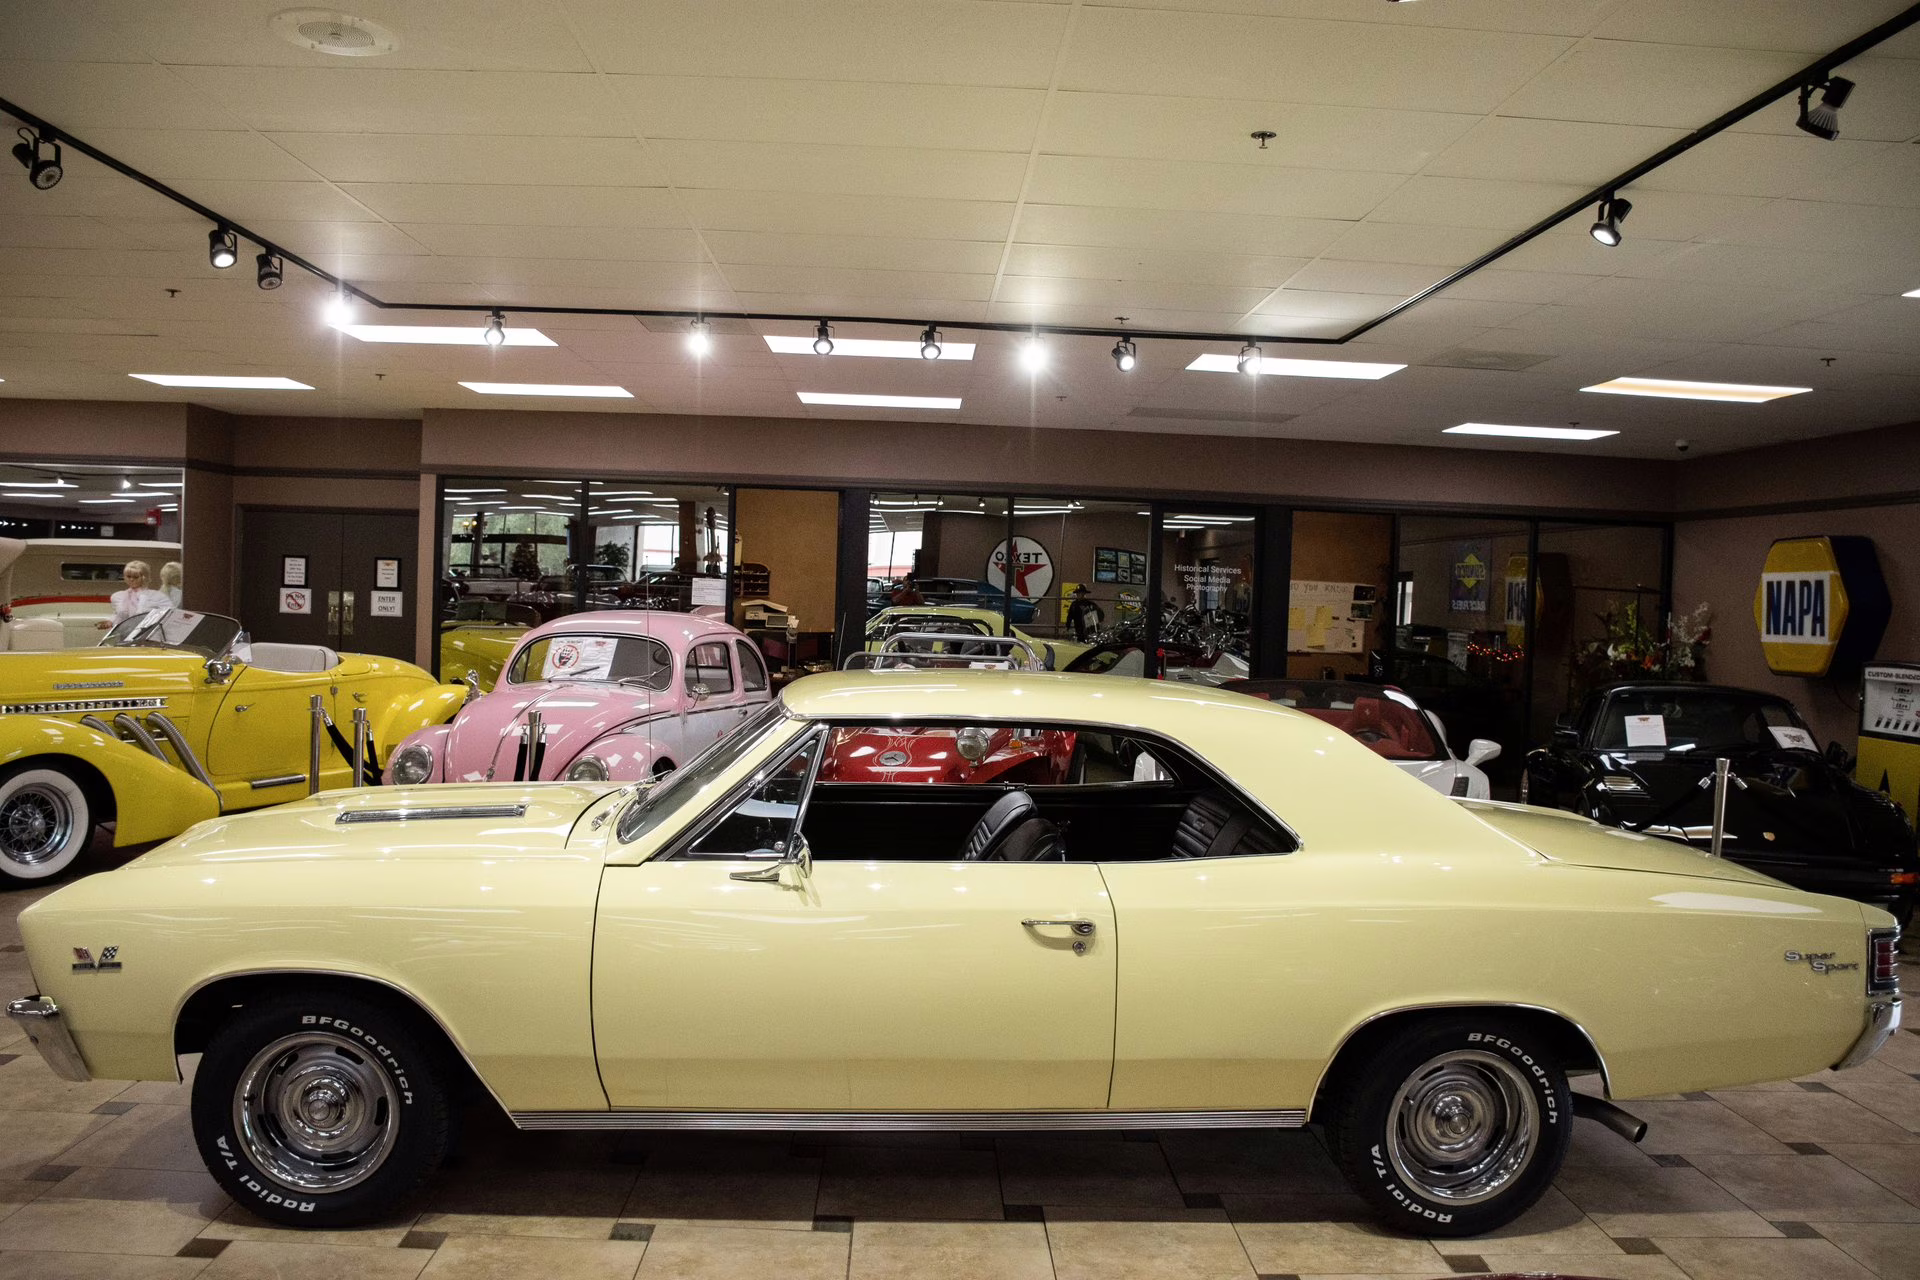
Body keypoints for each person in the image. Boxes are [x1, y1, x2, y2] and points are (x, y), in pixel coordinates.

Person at [102, 560, 171, 627]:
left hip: (147, 634)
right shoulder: (118, 596)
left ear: (144, 577)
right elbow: (119, 615)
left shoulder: (157, 596)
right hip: (124, 635)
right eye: (128, 576)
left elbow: (170, 614)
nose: (131, 579)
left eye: (135, 577)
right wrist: (110, 621)